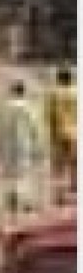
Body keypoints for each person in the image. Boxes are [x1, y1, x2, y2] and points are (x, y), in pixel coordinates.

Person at [0, 79, 49, 220]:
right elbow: (35, 127)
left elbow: (0, 129)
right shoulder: (28, 107)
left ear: (12, 91)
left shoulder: (4, 108)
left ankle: (11, 198)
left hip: (8, 145)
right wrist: (39, 145)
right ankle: (23, 201)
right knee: (23, 174)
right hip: (24, 144)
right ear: (23, 92)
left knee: (9, 174)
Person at [43, 65, 77, 202]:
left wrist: (50, 133)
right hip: (75, 133)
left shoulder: (54, 94)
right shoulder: (77, 93)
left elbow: (49, 115)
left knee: (58, 166)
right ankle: (75, 191)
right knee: (75, 164)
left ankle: (59, 195)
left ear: (59, 79)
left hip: (59, 133)